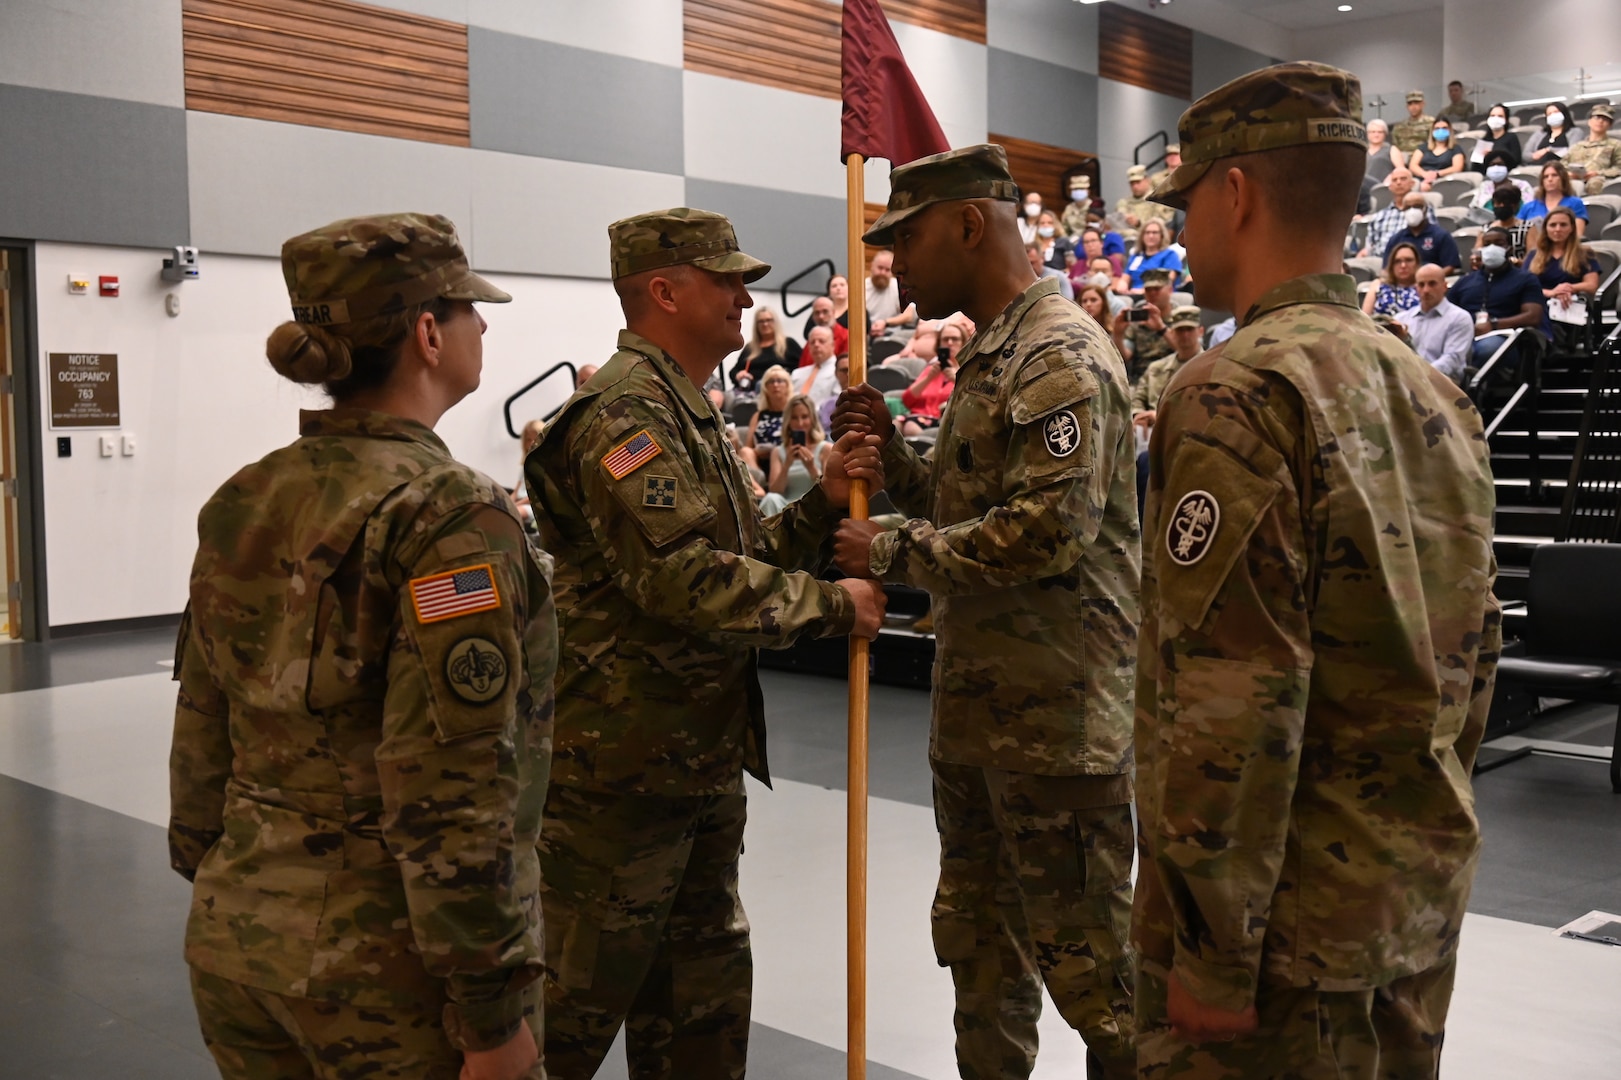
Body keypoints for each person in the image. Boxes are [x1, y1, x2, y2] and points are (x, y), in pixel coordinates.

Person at [1135, 61, 1500, 1078]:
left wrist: (1210, 950)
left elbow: (1231, 701)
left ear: (1236, 194)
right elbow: (1475, 662)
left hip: (1277, 954)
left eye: (1189, 202)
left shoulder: (1234, 394)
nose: (1179, 228)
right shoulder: (1436, 396)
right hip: (1407, 910)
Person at [169, 212, 554, 1080]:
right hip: (389, 975)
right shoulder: (452, 512)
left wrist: (219, 873)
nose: (483, 326)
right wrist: (490, 1016)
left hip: (239, 937)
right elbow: (452, 783)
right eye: (468, 309)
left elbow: (201, 716)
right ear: (426, 332)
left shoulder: (250, 493)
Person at [526, 207, 887, 1079]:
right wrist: (835, 608)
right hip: (620, 774)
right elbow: (681, 581)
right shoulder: (622, 417)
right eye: (723, 278)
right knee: (564, 1016)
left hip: (691, 760)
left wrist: (818, 502)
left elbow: (736, 556)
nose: (743, 294)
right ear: (662, 290)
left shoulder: (682, 413)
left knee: (698, 1010)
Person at [830, 143, 1141, 1080]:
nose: (894, 264)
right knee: (979, 952)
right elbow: (973, 510)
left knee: (1098, 979)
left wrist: (886, 549)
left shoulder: (1057, 356)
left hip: (1057, 728)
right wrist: (898, 464)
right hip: (977, 717)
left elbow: (1047, 534)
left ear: (969, 225)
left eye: (907, 239)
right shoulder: (991, 353)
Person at [1447, 223, 1550, 370]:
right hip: (1465, 335)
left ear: (1510, 249)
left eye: (1498, 244)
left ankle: (1474, 385)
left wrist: (1494, 325)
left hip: (1505, 338)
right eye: (1487, 244)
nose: (1491, 248)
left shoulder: (1525, 279)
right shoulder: (1465, 281)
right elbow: (1448, 311)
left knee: (1486, 349)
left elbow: (1533, 316)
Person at [1527, 206, 1602, 352]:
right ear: (1546, 228)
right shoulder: (1534, 254)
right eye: (1553, 225)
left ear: (1572, 228)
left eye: (1563, 225)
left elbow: (1591, 285)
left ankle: (1549, 340)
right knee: (1533, 308)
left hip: (1570, 304)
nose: (1557, 229)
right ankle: (1549, 340)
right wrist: (1552, 292)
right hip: (1542, 302)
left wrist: (1569, 288)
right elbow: (1524, 285)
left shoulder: (1584, 253)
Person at [1398, 262, 1476, 383]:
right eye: (1421, 284)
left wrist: (1420, 376)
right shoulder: (1401, 319)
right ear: (1416, 288)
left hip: (1444, 384)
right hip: (1407, 382)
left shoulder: (1460, 318)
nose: (1426, 290)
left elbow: (1452, 360)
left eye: (1432, 283)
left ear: (1445, 286)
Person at [1129, 305, 1201, 429]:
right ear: (1172, 333)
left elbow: (1201, 412)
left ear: (1200, 331)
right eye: (1180, 330)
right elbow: (1138, 398)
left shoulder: (1210, 368)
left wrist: (1158, 417)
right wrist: (1139, 414)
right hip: (1150, 432)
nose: (1185, 335)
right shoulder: (1156, 368)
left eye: (1189, 329)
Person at [759, 394, 832, 516]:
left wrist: (811, 467)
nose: (800, 423)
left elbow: (829, 491)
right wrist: (787, 465)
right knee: (770, 499)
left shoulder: (826, 449)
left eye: (804, 417)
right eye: (794, 418)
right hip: (786, 508)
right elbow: (775, 491)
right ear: (788, 421)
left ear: (812, 419)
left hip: (813, 507)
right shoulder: (778, 452)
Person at [897, 320, 963, 436]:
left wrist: (955, 379)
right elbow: (906, 400)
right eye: (945, 339)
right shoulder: (930, 369)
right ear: (939, 344)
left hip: (948, 421)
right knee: (895, 426)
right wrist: (929, 378)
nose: (950, 343)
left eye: (955, 339)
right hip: (919, 419)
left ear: (964, 343)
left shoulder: (965, 372)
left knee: (911, 428)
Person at [1115, 268, 1177, 382]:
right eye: (1148, 290)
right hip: (1141, 379)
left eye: (1157, 289)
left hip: (1172, 377)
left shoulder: (1181, 315)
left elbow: (1189, 351)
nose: (1152, 293)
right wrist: (1118, 335)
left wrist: (1161, 328)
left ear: (1170, 290)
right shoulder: (1137, 317)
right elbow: (1126, 357)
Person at [729, 308, 800, 398]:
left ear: (775, 322)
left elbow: (801, 368)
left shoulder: (788, 344)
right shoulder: (750, 348)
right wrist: (738, 375)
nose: (765, 324)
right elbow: (734, 371)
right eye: (761, 321)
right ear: (756, 325)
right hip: (748, 391)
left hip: (777, 390)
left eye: (768, 320)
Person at [1358, 168, 1428, 256]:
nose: (1398, 182)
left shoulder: (1423, 211)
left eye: (1403, 179)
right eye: (1394, 180)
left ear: (1412, 184)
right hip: (1382, 260)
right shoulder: (1379, 217)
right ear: (1390, 187)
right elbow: (1370, 246)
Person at [1384, 191, 1461, 271]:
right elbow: (1386, 268)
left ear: (1425, 209)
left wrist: (1429, 279)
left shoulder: (1441, 235)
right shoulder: (1395, 239)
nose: (1412, 211)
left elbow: (1450, 266)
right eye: (1408, 208)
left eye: (1417, 206)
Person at [866, 248, 919, 353]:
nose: (883, 273)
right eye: (880, 268)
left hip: (891, 336)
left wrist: (885, 323)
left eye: (887, 270)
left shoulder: (899, 287)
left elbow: (909, 315)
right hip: (865, 335)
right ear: (872, 266)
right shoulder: (860, 288)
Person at [1518, 160, 1590, 238]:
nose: (1550, 179)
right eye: (1546, 177)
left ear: (1563, 178)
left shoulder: (1575, 203)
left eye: (1554, 175)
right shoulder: (1529, 207)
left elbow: (1578, 235)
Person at [1567, 103, 1621, 194]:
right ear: (1589, 121)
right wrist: (1569, 174)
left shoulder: (1616, 145)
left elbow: (1619, 168)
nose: (1600, 121)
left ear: (1610, 125)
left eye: (1605, 119)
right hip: (1575, 179)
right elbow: (1563, 165)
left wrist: (1598, 173)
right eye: (1597, 118)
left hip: (1599, 180)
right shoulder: (1577, 146)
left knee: (1595, 183)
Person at [1361, 240, 1421, 316]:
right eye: (1397, 261)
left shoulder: (1424, 286)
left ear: (1417, 263)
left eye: (1408, 260)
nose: (1403, 265)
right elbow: (1365, 317)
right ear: (1391, 265)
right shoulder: (1378, 285)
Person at [1469, 153, 1536, 217]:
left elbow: (1530, 208)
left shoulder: (1523, 185)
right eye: (1492, 165)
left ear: (1507, 167)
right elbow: (1474, 208)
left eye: (1500, 164)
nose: (1496, 167)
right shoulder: (1484, 186)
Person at [1124, 220, 1182, 292]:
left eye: (1155, 233)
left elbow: (1167, 281)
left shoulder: (1170, 255)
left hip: (1158, 294)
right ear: (1142, 236)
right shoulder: (1136, 256)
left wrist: (1143, 291)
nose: (1151, 236)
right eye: (1147, 233)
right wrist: (1123, 285)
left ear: (1162, 236)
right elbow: (1125, 278)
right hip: (1134, 293)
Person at [1115, 164, 1172, 235]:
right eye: (1132, 183)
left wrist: (1139, 223)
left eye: (1138, 182)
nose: (1135, 186)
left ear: (1147, 181)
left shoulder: (1158, 200)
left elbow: (1162, 226)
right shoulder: (1124, 203)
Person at [1408, 120, 1466, 189]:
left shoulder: (1455, 148)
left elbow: (1457, 168)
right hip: (1421, 177)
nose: (1440, 131)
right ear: (1432, 131)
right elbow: (1413, 165)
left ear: (1450, 130)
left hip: (1442, 180)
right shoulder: (1423, 147)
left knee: (1424, 187)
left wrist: (1437, 174)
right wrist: (1425, 174)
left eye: (1444, 128)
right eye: (1437, 128)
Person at [1469, 103, 1523, 173]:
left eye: (1500, 116)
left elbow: (1516, 160)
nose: (1495, 118)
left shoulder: (1511, 137)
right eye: (1492, 116)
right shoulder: (1484, 141)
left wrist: (1492, 154)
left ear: (1506, 120)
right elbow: (1475, 167)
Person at [796, 323, 841, 406]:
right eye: (812, 342)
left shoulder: (841, 372)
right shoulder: (797, 374)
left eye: (821, 341)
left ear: (833, 345)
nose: (816, 345)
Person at [1390, 88, 1434, 154]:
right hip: (1402, 160)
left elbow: (1434, 146)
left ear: (1423, 104)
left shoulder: (1432, 123)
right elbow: (1395, 147)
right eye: (1410, 104)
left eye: (1416, 103)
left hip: (1424, 159)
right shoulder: (1399, 126)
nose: (1413, 107)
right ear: (1407, 106)